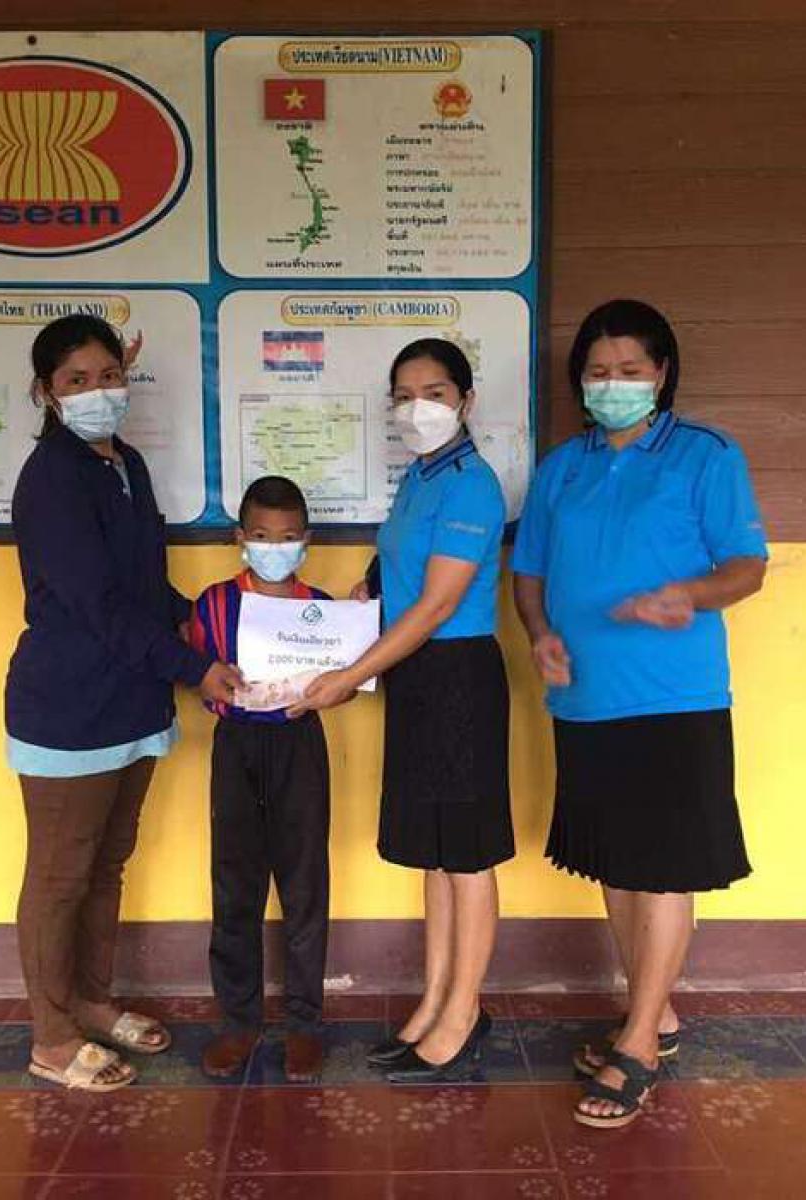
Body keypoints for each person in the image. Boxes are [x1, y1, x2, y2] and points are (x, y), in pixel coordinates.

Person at [512, 298, 767, 1128]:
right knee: (619, 865)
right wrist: (541, 635)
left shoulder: (706, 455)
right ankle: (652, 1013)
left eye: (629, 370)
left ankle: (640, 1047)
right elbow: (529, 573)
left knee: (663, 869)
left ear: (661, 374)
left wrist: (688, 595)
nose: (611, 384)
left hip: (673, 698)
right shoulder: (562, 468)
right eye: (597, 372)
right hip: (584, 699)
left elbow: (747, 566)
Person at [6, 315, 241, 1092]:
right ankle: (51, 1038)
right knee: (60, 876)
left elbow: (141, 585)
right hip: (69, 708)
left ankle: (90, 1002)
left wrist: (205, 623)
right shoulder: (53, 478)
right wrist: (196, 667)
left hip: (133, 700)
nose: (97, 391)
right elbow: (100, 607)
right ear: (47, 392)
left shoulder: (127, 464)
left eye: (108, 375)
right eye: (76, 380)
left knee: (105, 864)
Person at [289, 338, 514, 1083]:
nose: (419, 409)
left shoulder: (473, 485)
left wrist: (350, 674)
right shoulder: (421, 476)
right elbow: (402, 565)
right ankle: (435, 1000)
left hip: (457, 677)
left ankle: (464, 1012)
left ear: (466, 400)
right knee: (436, 853)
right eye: (405, 396)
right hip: (416, 677)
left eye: (436, 393)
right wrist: (369, 588)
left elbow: (439, 604)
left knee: (468, 856)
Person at [189, 476, 332, 1083]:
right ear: (240, 538)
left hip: (299, 745)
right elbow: (196, 673)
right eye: (263, 536)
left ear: (307, 540)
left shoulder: (322, 609)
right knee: (234, 884)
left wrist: (331, 691)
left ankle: (304, 1024)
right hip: (237, 747)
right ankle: (239, 1021)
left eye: (289, 536)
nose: (276, 547)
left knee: (304, 884)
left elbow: (343, 678)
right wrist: (212, 684)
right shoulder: (213, 604)